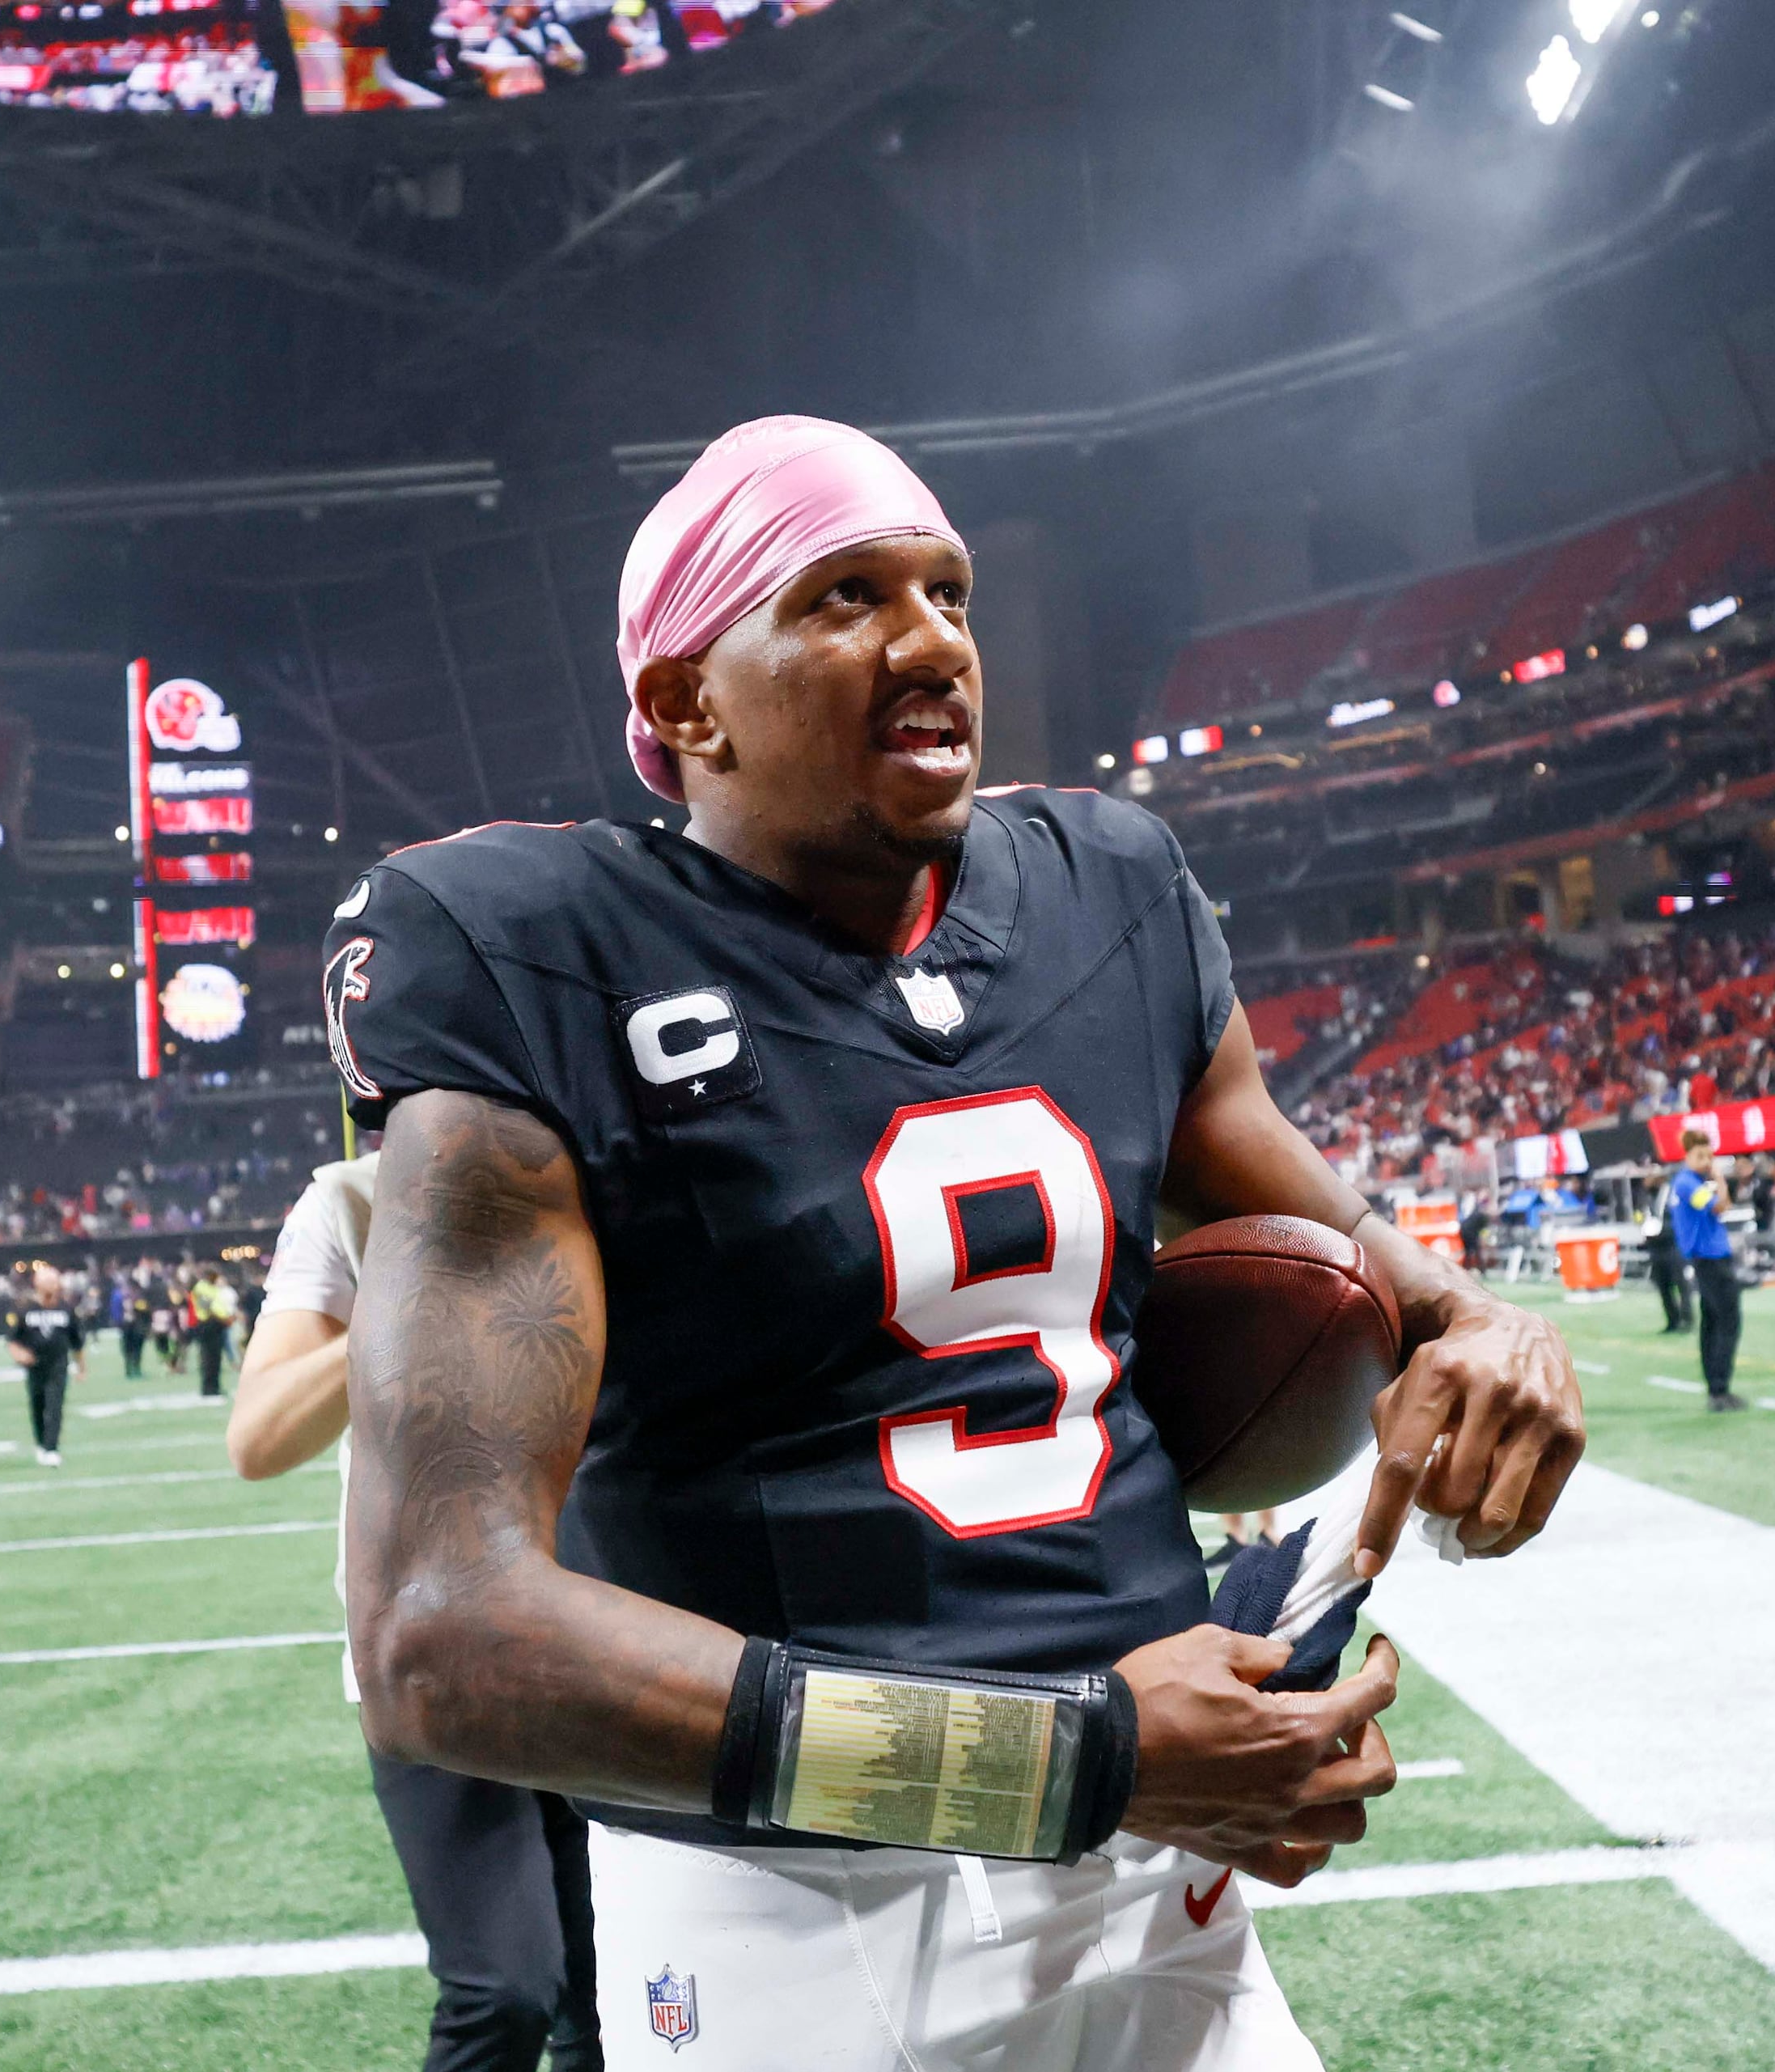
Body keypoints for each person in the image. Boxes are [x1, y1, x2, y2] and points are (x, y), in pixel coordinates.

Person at [324, 417, 1584, 2070]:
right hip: (793, 1929)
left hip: (1164, 1893)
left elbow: (1364, 1264)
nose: (931, 643)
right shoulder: (537, 954)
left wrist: (1491, 1334)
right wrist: (1079, 1753)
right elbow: (444, 1636)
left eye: (950, 591)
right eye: (844, 597)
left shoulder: (1110, 888)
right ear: (686, 702)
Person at [231, 1155, 601, 2072]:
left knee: (614, 1999)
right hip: (437, 1651)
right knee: (503, 1988)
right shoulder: (352, 1200)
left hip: (604, 1635)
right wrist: (403, 1305)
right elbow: (259, 1436)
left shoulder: (605, 1162)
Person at [1665, 1137, 1745, 1412]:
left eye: (1710, 1157)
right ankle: (1720, 1388)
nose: (1707, 1162)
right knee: (1728, 1321)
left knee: (1711, 1322)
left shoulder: (1688, 1183)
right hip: (1711, 1259)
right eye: (1701, 1156)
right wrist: (1720, 1180)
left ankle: (1716, 1387)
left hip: (1706, 1259)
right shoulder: (1688, 1183)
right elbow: (1720, 1206)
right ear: (1687, 1156)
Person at [3, 1266, 85, 1469]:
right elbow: (12, 1339)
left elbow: (77, 1342)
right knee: (38, 1405)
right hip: (35, 1366)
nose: (54, 1285)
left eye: (55, 1281)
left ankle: (51, 1448)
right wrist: (19, 1354)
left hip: (58, 1365)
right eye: (49, 1281)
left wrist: (81, 1366)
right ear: (37, 1283)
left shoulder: (66, 1309)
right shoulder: (25, 1309)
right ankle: (41, 1444)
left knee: (55, 1405)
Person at [1641, 1184, 1691, 1333]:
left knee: (1681, 1284)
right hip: (1655, 1246)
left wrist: (1663, 1229)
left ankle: (1686, 1319)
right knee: (1663, 1286)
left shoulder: (1671, 1192)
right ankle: (1672, 1320)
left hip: (1672, 1244)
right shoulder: (1648, 1195)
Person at [188, 1265, 235, 1400]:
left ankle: (215, 1387)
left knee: (216, 1358)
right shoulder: (201, 1288)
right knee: (208, 1358)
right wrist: (224, 1319)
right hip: (208, 1325)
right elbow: (209, 1308)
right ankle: (208, 1388)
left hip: (217, 1325)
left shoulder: (211, 1288)